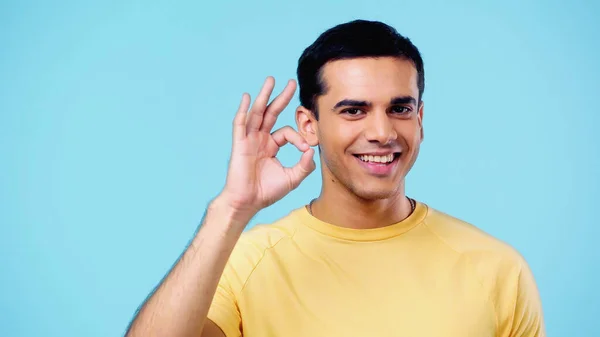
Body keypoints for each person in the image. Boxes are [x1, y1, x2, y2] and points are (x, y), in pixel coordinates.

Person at [125, 19, 545, 337]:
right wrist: (231, 209)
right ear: (309, 126)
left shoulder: (497, 270)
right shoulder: (245, 264)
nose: (382, 132)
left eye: (399, 109)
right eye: (353, 111)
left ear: (420, 119)